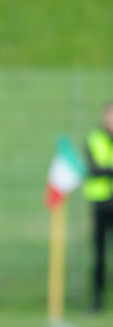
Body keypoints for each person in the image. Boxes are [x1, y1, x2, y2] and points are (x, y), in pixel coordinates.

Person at [82, 102, 113, 311]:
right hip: (101, 204)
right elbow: (93, 168)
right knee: (99, 254)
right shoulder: (94, 138)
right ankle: (97, 299)